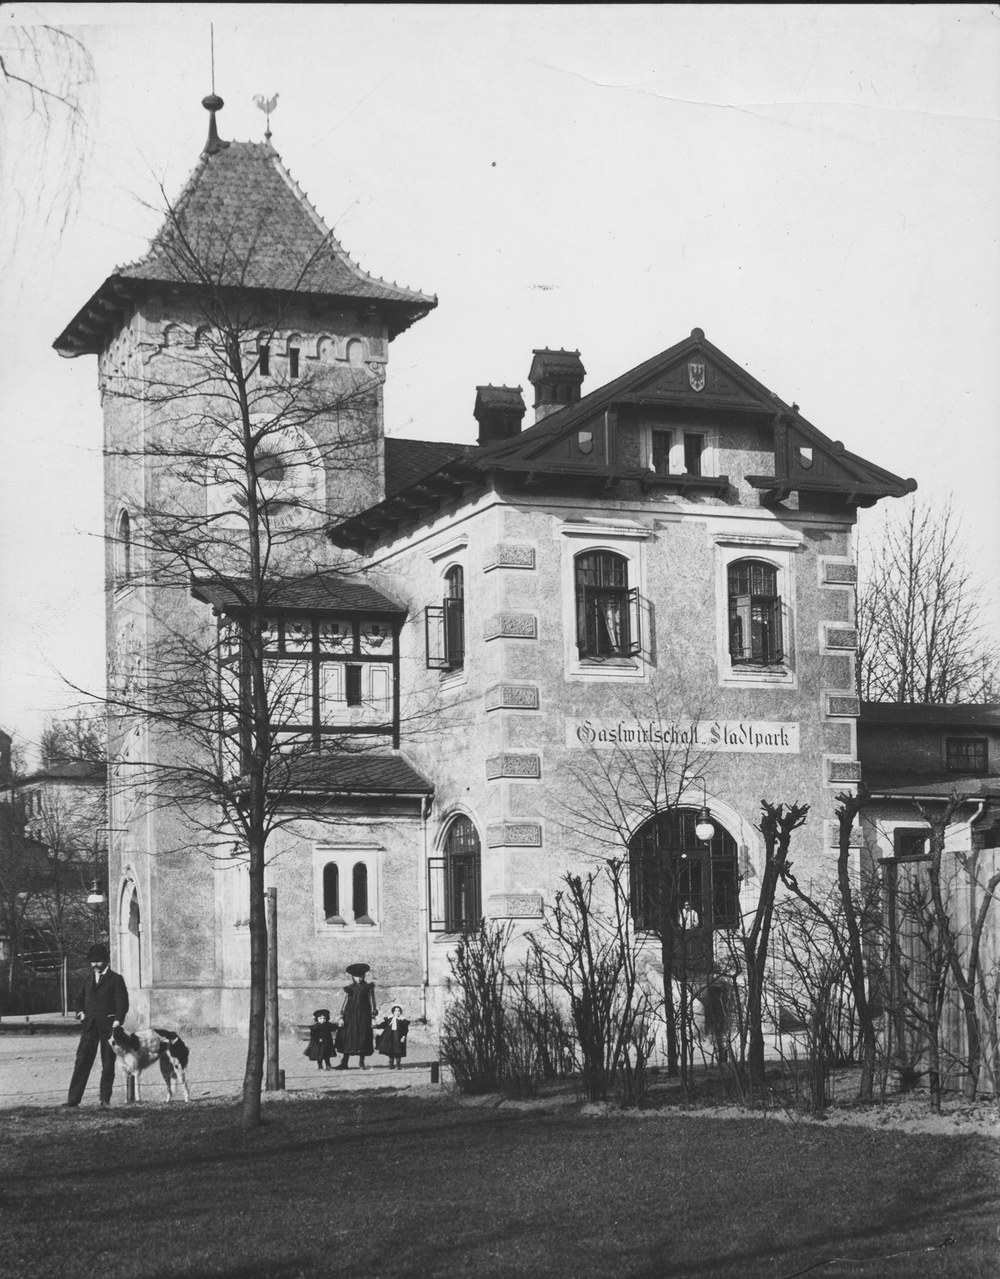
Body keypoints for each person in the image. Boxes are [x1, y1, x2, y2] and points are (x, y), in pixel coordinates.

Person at [65, 943, 129, 1108]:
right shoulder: (87, 980)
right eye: (92, 961)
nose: (95, 965)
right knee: (82, 1061)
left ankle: (104, 1100)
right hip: (89, 1027)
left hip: (109, 1028)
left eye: (98, 961)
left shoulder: (116, 979)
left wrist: (117, 1021)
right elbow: (78, 1000)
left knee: (108, 1063)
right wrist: (80, 1013)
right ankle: (73, 1099)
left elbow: (122, 1004)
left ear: (106, 960)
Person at [334, 962, 377, 1070]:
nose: (359, 979)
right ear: (353, 977)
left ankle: (361, 1063)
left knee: (363, 1038)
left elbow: (372, 1002)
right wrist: (341, 1017)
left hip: (364, 1017)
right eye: (357, 977)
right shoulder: (349, 988)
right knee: (347, 1038)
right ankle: (344, 1063)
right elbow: (344, 1002)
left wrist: (373, 1017)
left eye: (361, 976)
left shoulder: (368, 987)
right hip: (350, 1017)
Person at [375, 1004, 409, 1070]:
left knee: (398, 1050)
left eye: (399, 1011)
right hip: (390, 1037)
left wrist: (404, 1036)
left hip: (398, 1037)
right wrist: (376, 1026)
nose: (397, 1012)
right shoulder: (389, 1019)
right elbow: (383, 1025)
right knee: (390, 1050)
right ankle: (391, 1064)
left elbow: (405, 1030)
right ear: (393, 1012)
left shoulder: (403, 1020)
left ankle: (398, 1064)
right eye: (396, 1011)